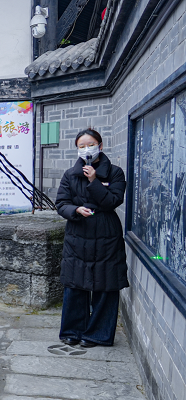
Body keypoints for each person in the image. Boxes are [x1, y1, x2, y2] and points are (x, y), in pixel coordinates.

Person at [56, 128, 128, 348]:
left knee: (105, 284)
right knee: (75, 283)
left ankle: (98, 334)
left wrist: (94, 180)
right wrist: (76, 210)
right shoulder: (70, 174)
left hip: (106, 233)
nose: (86, 149)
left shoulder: (115, 173)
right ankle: (72, 331)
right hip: (78, 233)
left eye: (91, 145)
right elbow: (61, 203)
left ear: (100, 146)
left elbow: (113, 201)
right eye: (82, 146)